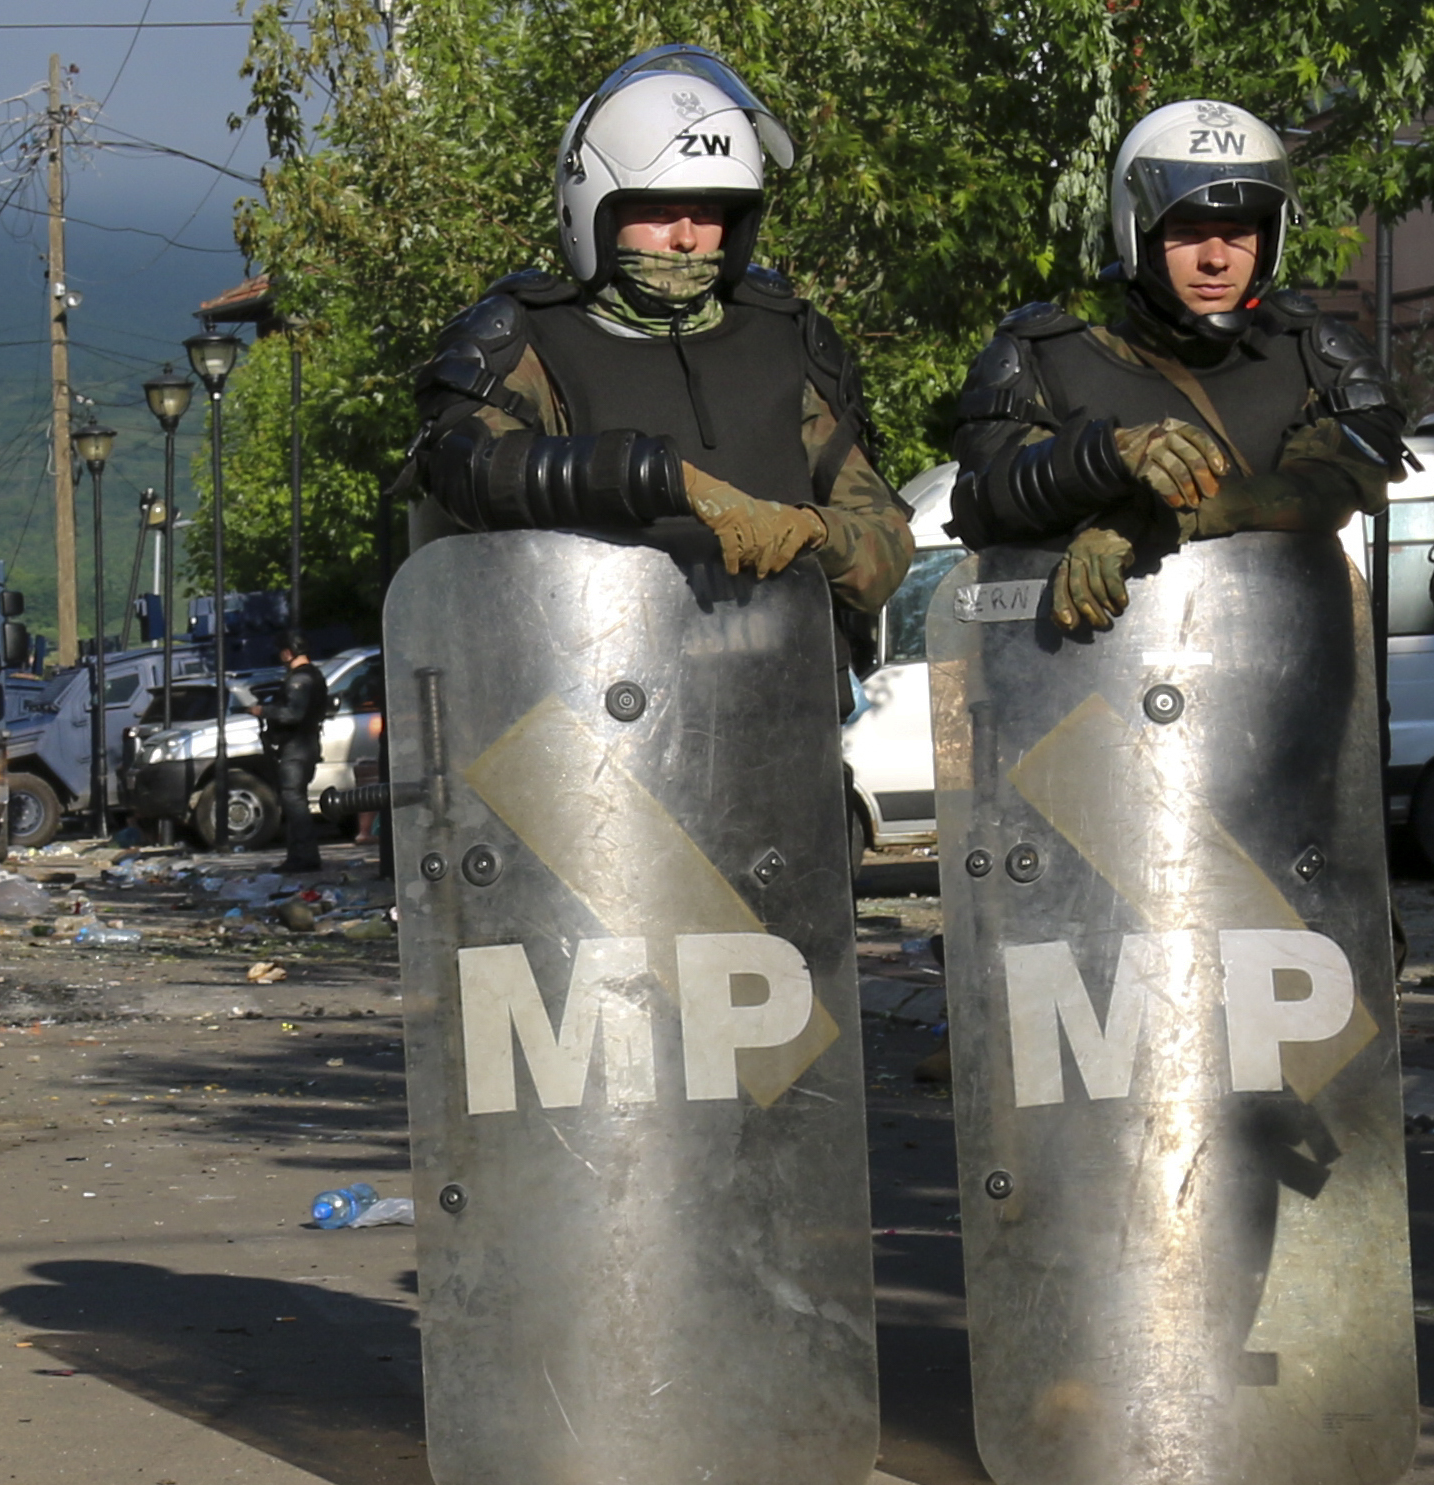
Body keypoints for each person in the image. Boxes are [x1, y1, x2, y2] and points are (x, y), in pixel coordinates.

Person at [411, 45, 912, 705]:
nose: (684, 237)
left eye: (708, 212)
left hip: (784, 726)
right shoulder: (524, 341)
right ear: (595, 209)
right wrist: (656, 477)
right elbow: (464, 468)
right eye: (656, 209)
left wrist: (808, 531)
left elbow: (883, 544)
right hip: (599, 731)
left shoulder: (784, 342)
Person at [948, 98, 1408, 627]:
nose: (1216, 257)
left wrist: (1147, 521)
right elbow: (983, 502)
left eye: (1239, 233)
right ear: (1138, 233)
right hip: (1077, 692)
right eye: (1188, 230)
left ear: (1270, 238)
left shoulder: (1316, 356)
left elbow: (1340, 481)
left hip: (1285, 689)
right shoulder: (1042, 361)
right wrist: (1107, 456)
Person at [251, 632, 331, 874]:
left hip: (297, 746)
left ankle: (304, 856)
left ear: (289, 652)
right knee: (293, 799)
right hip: (304, 744)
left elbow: (292, 713)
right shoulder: (314, 676)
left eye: (282, 650)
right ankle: (298, 855)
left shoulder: (300, 679)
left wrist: (262, 710)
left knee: (293, 800)